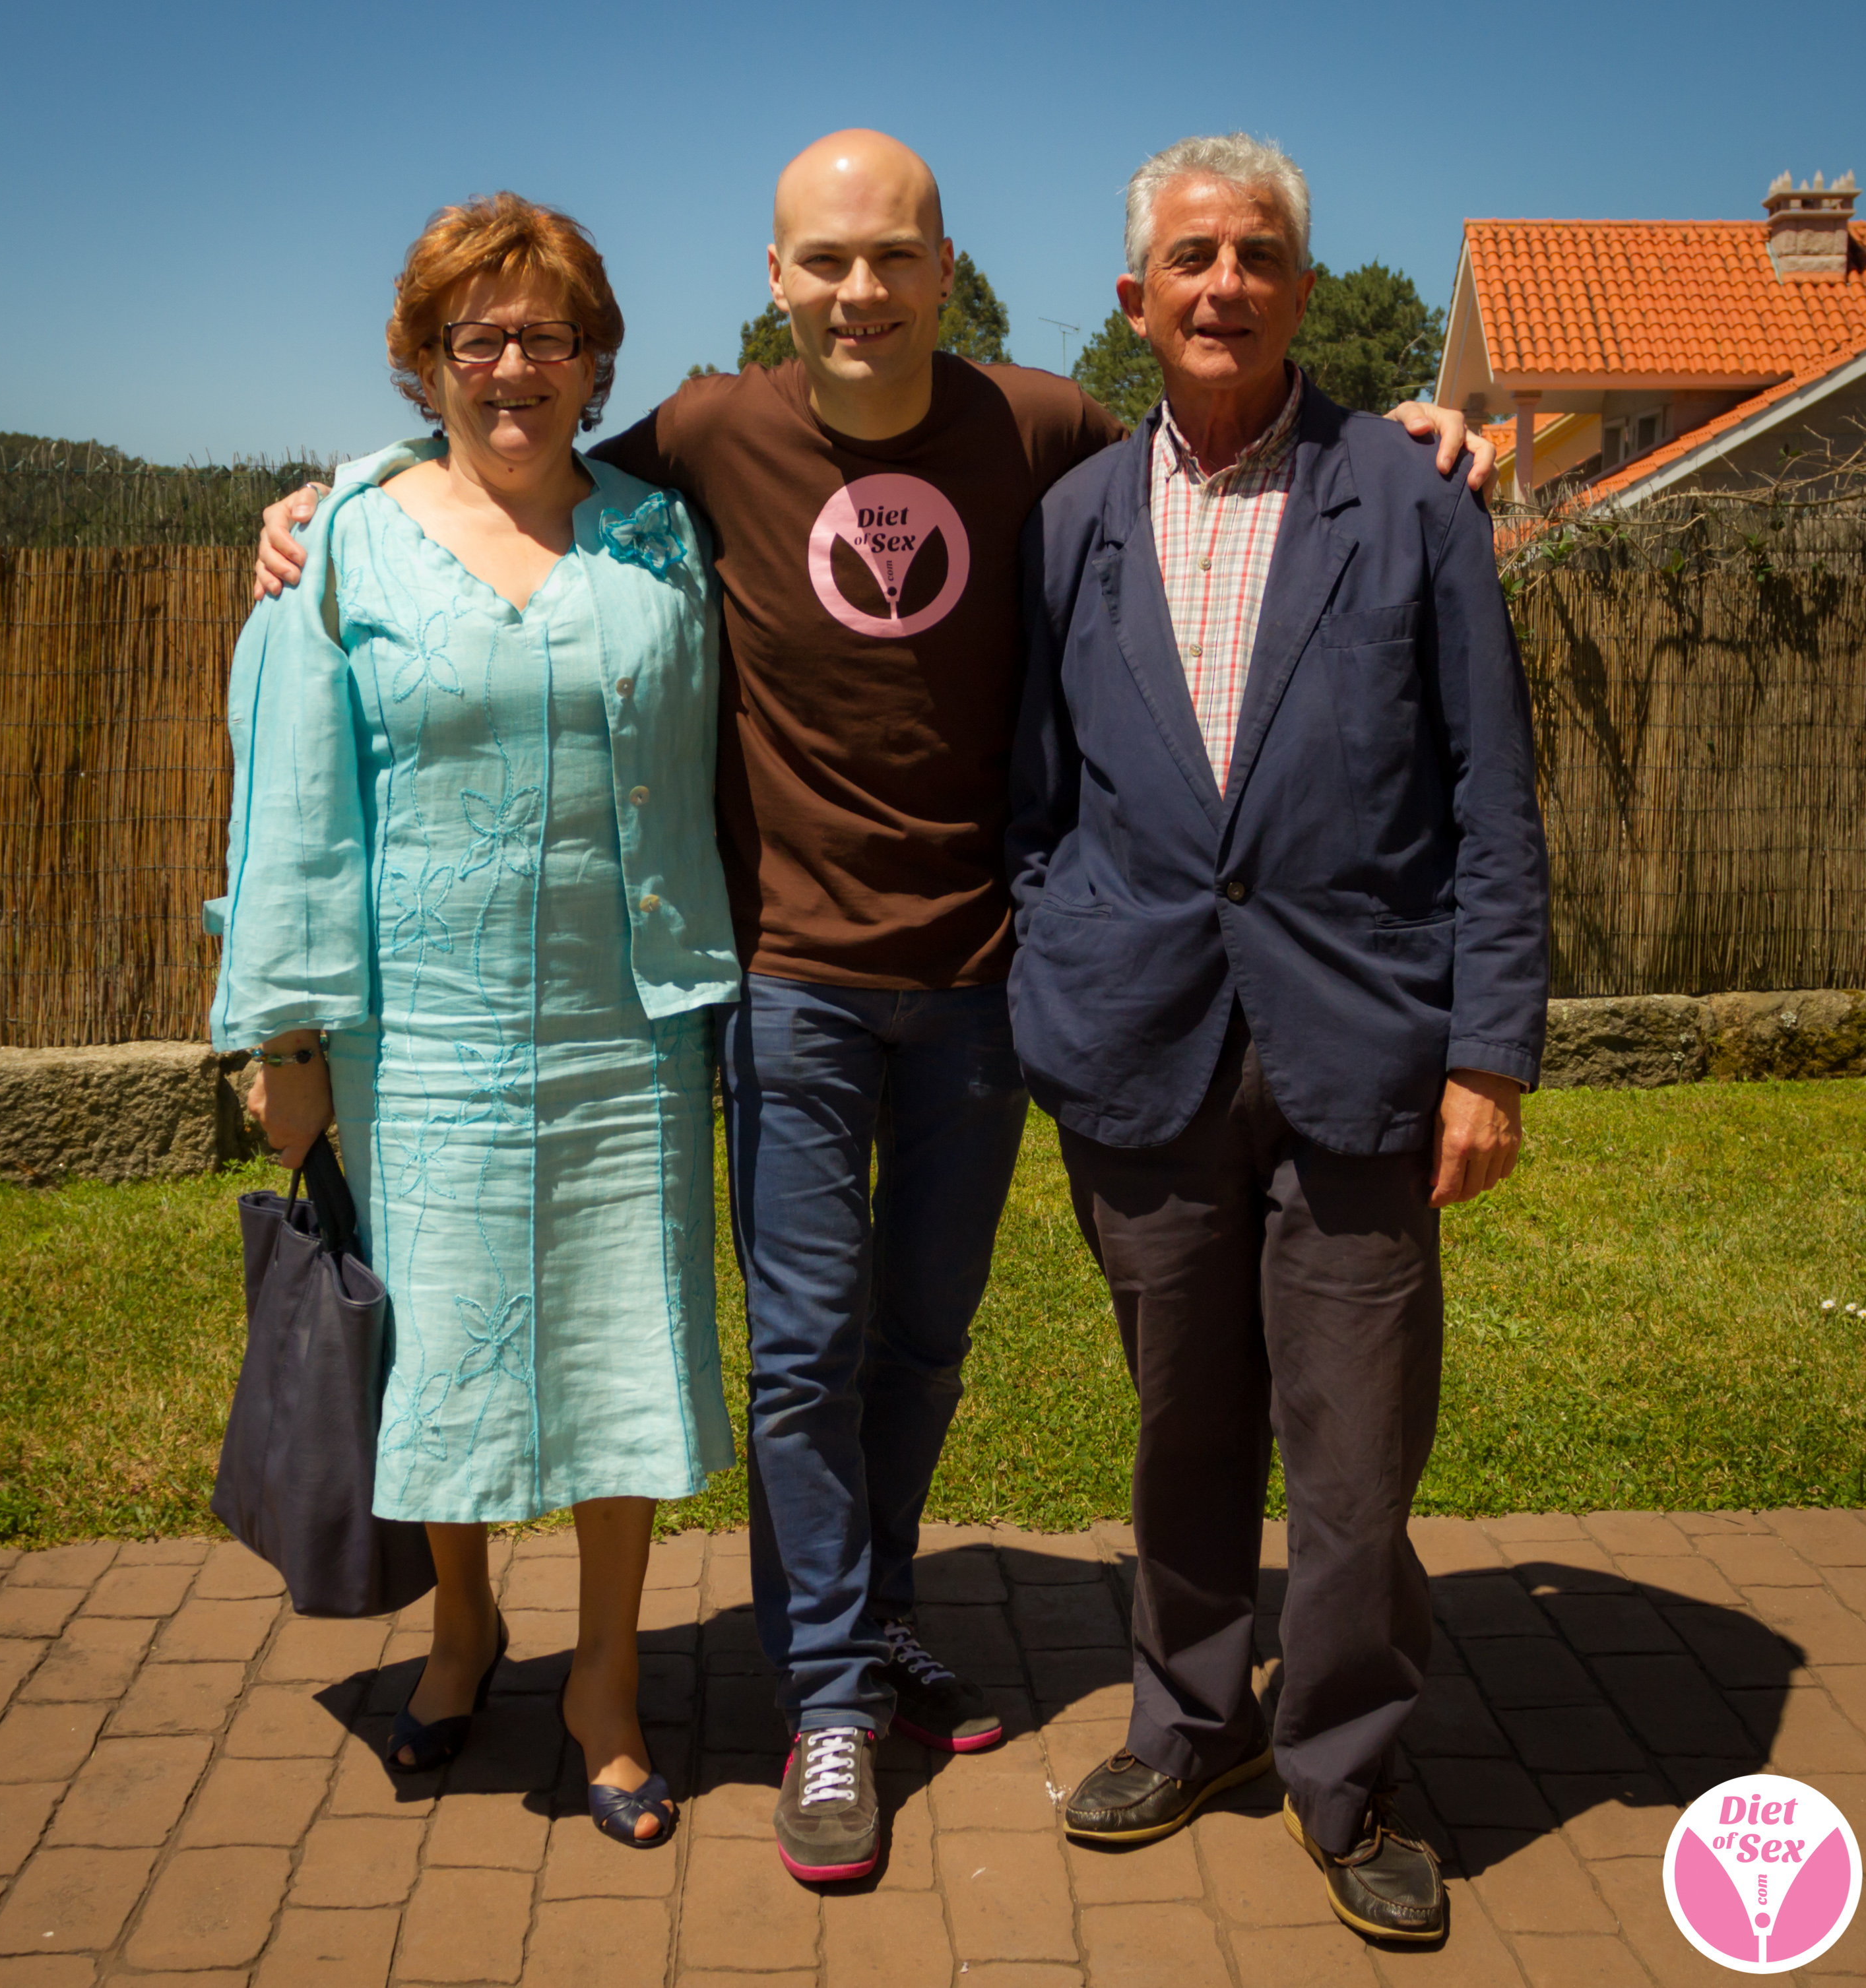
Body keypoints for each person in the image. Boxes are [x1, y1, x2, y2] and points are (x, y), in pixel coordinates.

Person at [253, 129, 1499, 1888]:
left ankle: (876, 1602)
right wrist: (337, 486)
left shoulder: (1040, 423)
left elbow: (1240, 430)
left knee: (918, 1344)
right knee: (808, 1345)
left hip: (986, 981)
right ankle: (825, 1684)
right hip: (788, 985)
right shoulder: (707, 431)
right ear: (778, 279)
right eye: (821, 260)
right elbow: (511, 458)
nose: (856, 288)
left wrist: (1413, 427)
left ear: (940, 266)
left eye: (890, 255)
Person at [1008, 133, 1548, 1943]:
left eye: (1255, 254)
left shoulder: (1409, 501)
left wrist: (1487, 1050)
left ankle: (1347, 1761)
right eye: (1188, 254)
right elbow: (1038, 794)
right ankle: (1187, 1714)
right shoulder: (1073, 523)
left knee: (1349, 1445)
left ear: (1303, 290)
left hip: (1364, 1056)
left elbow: (1491, 798)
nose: (1221, 281)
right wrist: (1061, 968)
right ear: (1133, 298)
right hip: (1141, 1048)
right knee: (1181, 1423)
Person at [216, 193, 742, 1849]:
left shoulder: (662, 536)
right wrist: (287, 1040)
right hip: (420, 1035)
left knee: (618, 1346)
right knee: (435, 1350)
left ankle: (604, 1680)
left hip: (625, 1022)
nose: (515, 362)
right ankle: (461, 1626)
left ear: (595, 365)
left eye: (549, 335)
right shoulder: (346, 540)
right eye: (479, 334)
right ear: (426, 360)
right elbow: (293, 806)